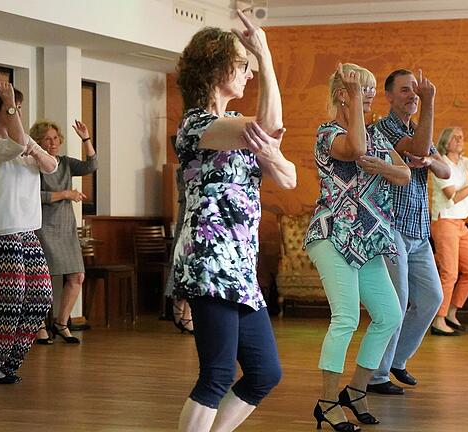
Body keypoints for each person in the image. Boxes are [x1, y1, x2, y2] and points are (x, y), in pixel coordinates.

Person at [172, 10, 296, 432]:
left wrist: (272, 152)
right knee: (217, 375)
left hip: (239, 265)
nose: (248, 73)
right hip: (210, 259)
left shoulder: (236, 130)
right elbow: (270, 125)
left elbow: (289, 175)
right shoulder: (198, 126)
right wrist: (266, 53)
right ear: (217, 69)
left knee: (264, 373)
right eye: (243, 65)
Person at [304, 63, 410, 431]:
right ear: (341, 95)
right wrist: (354, 115)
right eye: (360, 89)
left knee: (389, 315)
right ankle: (327, 403)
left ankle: (357, 390)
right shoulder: (327, 133)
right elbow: (355, 148)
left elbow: (405, 174)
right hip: (332, 234)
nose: (369, 96)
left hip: (367, 239)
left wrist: (382, 166)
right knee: (346, 317)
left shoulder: (377, 137)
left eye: (368, 89)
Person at [366, 68, 451, 396]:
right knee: (396, 302)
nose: (413, 95)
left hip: (418, 228)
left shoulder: (419, 129)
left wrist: (429, 161)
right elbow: (416, 148)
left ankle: (397, 359)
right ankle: (376, 376)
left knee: (432, 297)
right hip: (392, 227)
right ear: (388, 96)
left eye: (416, 91)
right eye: (405, 90)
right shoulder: (383, 129)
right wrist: (430, 105)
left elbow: (445, 170)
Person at [0, 74, 58, 384]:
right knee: (10, 297)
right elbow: (18, 143)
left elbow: (52, 166)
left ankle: (10, 362)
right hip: (2, 228)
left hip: (27, 229)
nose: (18, 112)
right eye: (13, 108)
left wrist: (37, 152)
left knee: (40, 296)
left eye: (19, 106)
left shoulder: (27, 143)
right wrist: (10, 109)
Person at [30, 119, 97, 344]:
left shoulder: (65, 163)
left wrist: (86, 139)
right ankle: (39, 325)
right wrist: (65, 194)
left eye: (56, 138)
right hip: (43, 226)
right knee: (43, 279)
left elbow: (91, 166)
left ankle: (61, 323)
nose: (53, 143)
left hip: (66, 227)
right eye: (47, 139)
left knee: (77, 276)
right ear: (38, 142)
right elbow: (34, 196)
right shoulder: (33, 164)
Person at [429, 121, 468, 335]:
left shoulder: (463, 162)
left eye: (462, 137)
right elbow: (452, 197)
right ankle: (439, 320)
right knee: (449, 273)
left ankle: (452, 312)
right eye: (456, 137)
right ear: (445, 143)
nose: (461, 140)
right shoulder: (441, 165)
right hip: (444, 221)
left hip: (460, 223)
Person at [163, 163, 193, 334]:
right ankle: (181, 304)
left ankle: (184, 307)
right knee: (183, 258)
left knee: (191, 262)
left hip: (198, 214)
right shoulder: (184, 168)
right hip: (189, 213)